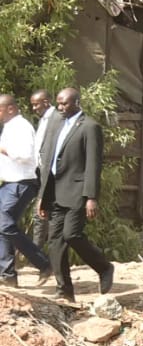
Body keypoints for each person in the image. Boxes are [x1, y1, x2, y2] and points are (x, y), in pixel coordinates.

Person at [36, 88, 114, 302]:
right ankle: (65, 291)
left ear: (77, 103)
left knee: (72, 235)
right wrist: (43, 195)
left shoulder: (90, 127)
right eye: (58, 103)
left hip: (77, 192)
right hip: (55, 193)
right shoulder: (57, 124)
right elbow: (49, 162)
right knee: (55, 241)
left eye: (65, 104)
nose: (60, 108)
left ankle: (104, 267)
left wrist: (91, 197)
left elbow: (93, 164)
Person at [0, 94, 52, 287]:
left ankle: (44, 263)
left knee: (5, 226)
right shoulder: (9, 127)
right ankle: (8, 275)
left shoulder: (22, 127)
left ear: (11, 108)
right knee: (2, 227)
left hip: (22, 183)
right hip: (9, 183)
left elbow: (26, 155)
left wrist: (2, 149)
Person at [28, 90, 59, 178]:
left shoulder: (58, 118)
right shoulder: (43, 120)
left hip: (51, 171)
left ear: (46, 102)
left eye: (36, 104)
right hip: (40, 169)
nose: (34, 108)